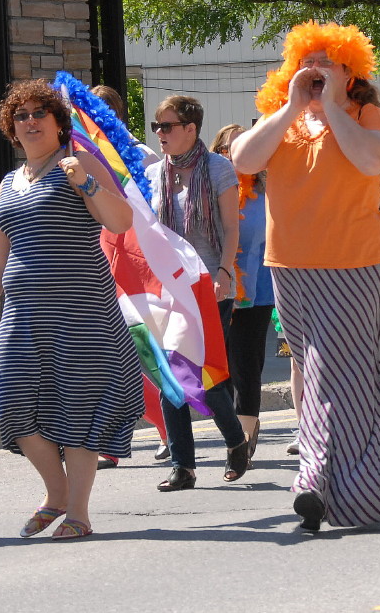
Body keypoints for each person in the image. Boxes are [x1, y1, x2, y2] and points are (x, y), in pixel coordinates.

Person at [232, 20, 380, 533]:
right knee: (322, 373)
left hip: (356, 264)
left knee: (341, 373)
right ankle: (351, 487)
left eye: (325, 62)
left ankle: (317, 478)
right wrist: (292, 106)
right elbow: (243, 159)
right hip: (290, 267)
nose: (313, 70)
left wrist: (334, 105)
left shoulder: (366, 113)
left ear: (348, 71)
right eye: (305, 62)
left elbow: (371, 161)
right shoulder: (281, 117)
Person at [0, 79, 144, 539]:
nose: (29, 122)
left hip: (82, 313)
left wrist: (84, 182)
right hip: (22, 317)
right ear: (11, 128)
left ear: (58, 122)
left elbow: (121, 221)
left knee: (79, 410)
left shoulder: (79, 163)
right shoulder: (8, 183)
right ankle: (56, 493)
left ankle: (78, 513)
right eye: (20, 116)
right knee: (13, 405)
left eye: (38, 114)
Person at [147, 96, 250, 491]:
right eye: (157, 127)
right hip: (168, 290)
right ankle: (183, 465)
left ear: (191, 129)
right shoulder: (155, 174)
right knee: (170, 374)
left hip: (210, 284)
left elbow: (231, 229)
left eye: (167, 126)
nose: (160, 134)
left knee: (206, 374)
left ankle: (236, 440)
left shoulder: (219, 169)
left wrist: (224, 272)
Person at [90, 84, 170, 466]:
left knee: (145, 352)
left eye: (102, 110)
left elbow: (157, 212)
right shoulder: (76, 156)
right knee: (106, 360)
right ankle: (109, 440)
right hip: (93, 263)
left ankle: (169, 427)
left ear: (117, 116)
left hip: (136, 264)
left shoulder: (142, 156)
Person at [212, 123, 274, 466]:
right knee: (224, 367)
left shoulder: (267, 191)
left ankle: (244, 436)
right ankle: (237, 429)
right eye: (227, 150)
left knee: (246, 362)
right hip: (219, 286)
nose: (235, 156)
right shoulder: (210, 190)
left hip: (258, 288)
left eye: (242, 149)